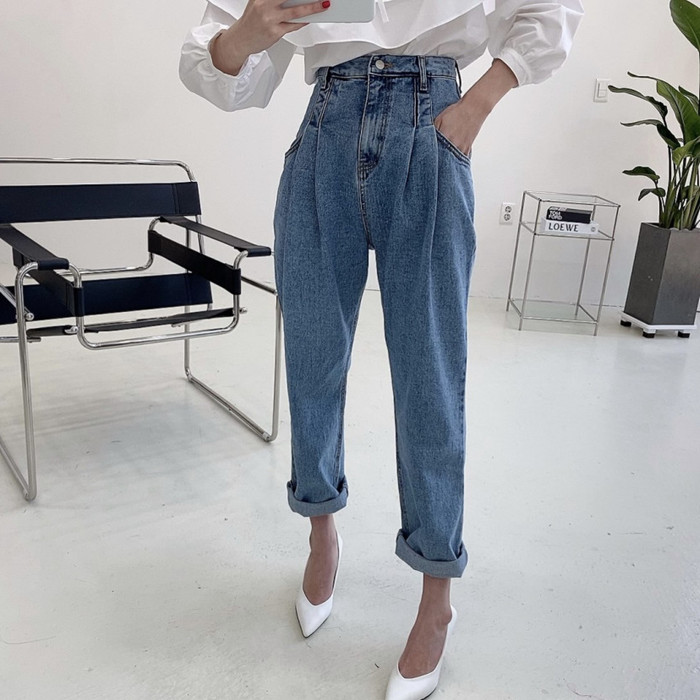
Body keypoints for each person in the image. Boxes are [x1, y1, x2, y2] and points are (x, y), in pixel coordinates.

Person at [180, 1, 583, 697]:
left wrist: (477, 105)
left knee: (429, 375)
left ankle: (437, 594)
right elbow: (218, 68)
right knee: (312, 361)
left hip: (433, 125)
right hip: (324, 131)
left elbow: (550, 10)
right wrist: (247, 31)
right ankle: (322, 533)